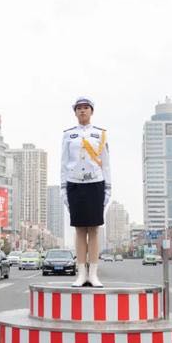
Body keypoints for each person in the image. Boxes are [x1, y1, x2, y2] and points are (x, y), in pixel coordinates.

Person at [61, 97, 111, 287]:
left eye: (86, 108)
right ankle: (81, 273)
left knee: (94, 229)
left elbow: (106, 163)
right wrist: (63, 189)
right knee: (80, 229)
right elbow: (64, 164)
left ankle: (93, 274)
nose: (82, 111)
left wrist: (108, 187)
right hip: (75, 183)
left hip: (95, 182)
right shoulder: (68, 135)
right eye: (79, 108)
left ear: (91, 111)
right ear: (75, 112)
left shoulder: (101, 134)